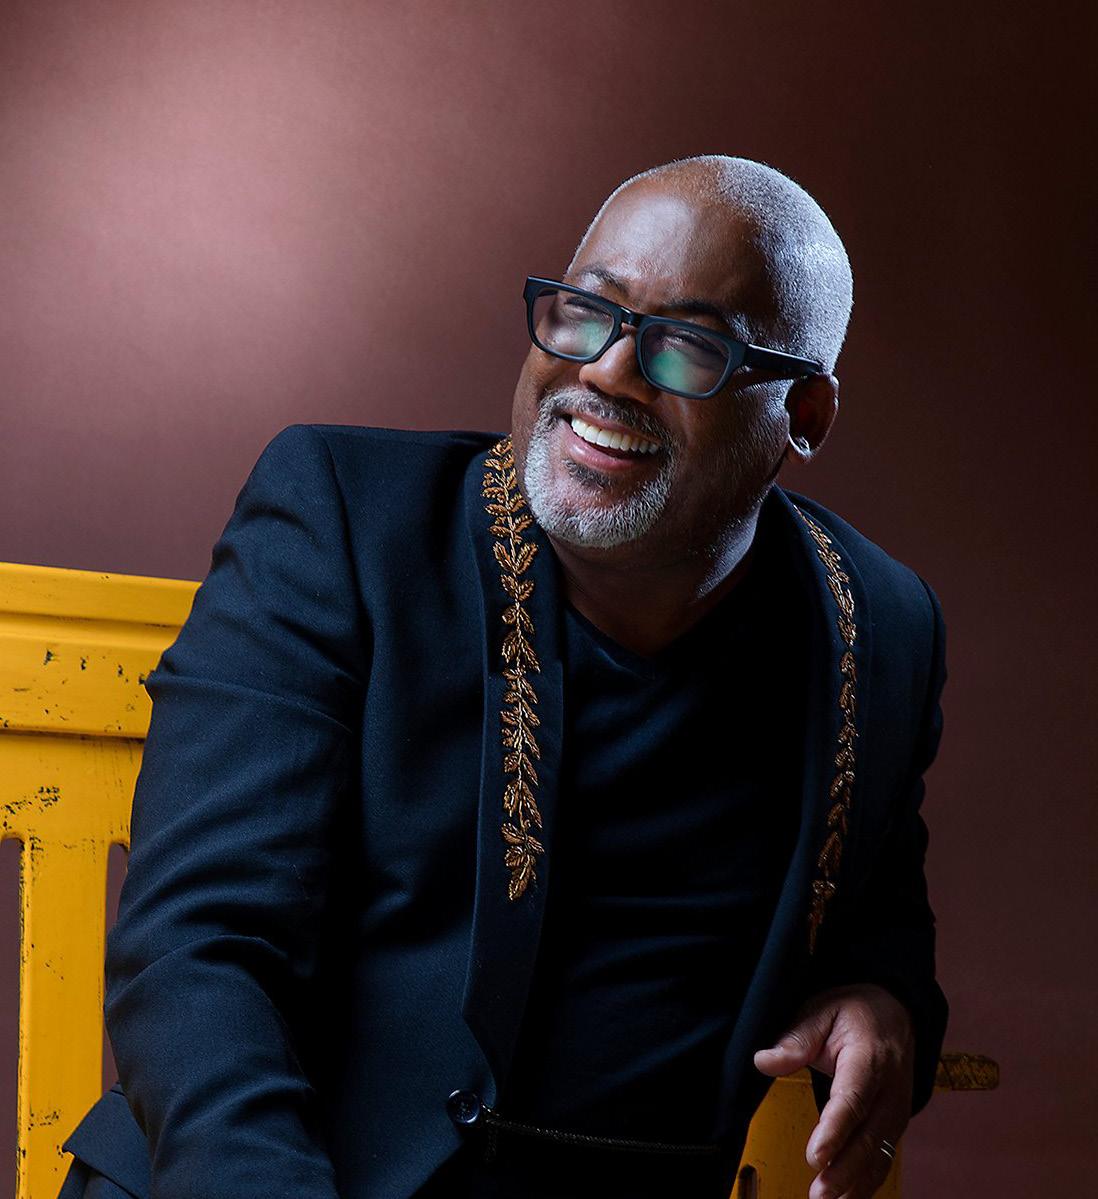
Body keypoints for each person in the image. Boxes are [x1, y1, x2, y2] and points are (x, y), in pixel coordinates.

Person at [58, 155, 948, 1199]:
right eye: (587, 312)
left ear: (807, 412)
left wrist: (882, 998)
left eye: (690, 346)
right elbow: (198, 950)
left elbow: (880, 912)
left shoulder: (875, 629)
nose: (608, 371)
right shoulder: (347, 523)